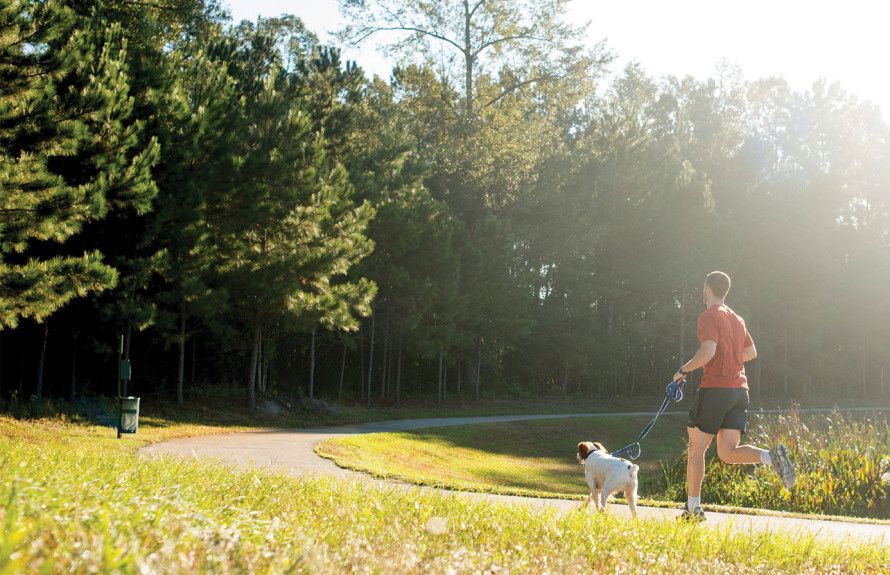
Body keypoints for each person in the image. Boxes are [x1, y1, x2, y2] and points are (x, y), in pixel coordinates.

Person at [672, 271, 795, 522]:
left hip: (716, 390)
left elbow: (707, 351)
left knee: (696, 449)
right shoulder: (737, 319)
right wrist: (731, 357)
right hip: (740, 391)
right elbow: (751, 352)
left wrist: (683, 371)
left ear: (707, 289)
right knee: (728, 453)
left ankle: (693, 510)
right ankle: (771, 457)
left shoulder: (709, 316)